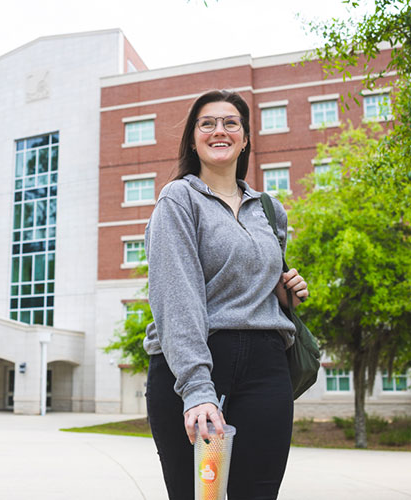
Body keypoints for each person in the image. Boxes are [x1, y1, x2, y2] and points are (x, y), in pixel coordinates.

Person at [143, 89, 309, 500]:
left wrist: (285, 296)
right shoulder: (179, 199)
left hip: (266, 368)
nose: (220, 130)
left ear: (246, 137)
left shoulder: (269, 209)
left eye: (231, 122)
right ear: (194, 137)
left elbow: (257, 283)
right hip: (198, 366)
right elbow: (176, 297)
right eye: (208, 123)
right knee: (202, 497)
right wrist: (198, 389)